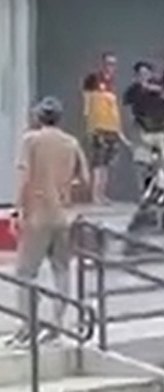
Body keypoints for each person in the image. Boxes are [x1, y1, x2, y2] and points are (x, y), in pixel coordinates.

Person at [9, 97, 89, 345]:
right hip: (62, 215)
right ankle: (57, 324)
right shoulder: (71, 143)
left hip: (38, 214)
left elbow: (24, 177)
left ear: (38, 117)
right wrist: (65, 189)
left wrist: (18, 210)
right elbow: (85, 178)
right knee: (62, 270)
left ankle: (27, 324)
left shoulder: (31, 140)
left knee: (24, 272)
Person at [82, 52, 127, 205]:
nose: (110, 67)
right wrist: (90, 125)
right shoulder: (93, 80)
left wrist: (119, 130)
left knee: (107, 163)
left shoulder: (112, 84)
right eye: (108, 63)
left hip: (111, 128)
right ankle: (95, 195)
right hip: (98, 127)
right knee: (98, 162)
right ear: (102, 64)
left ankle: (102, 194)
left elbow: (113, 108)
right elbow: (87, 103)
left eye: (113, 64)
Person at [123, 61, 164, 191]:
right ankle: (144, 191)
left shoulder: (158, 88)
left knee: (161, 162)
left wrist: (152, 89)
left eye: (146, 73)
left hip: (158, 131)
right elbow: (127, 109)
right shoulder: (132, 91)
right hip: (140, 129)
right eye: (140, 74)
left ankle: (159, 190)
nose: (143, 76)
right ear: (136, 76)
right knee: (141, 163)